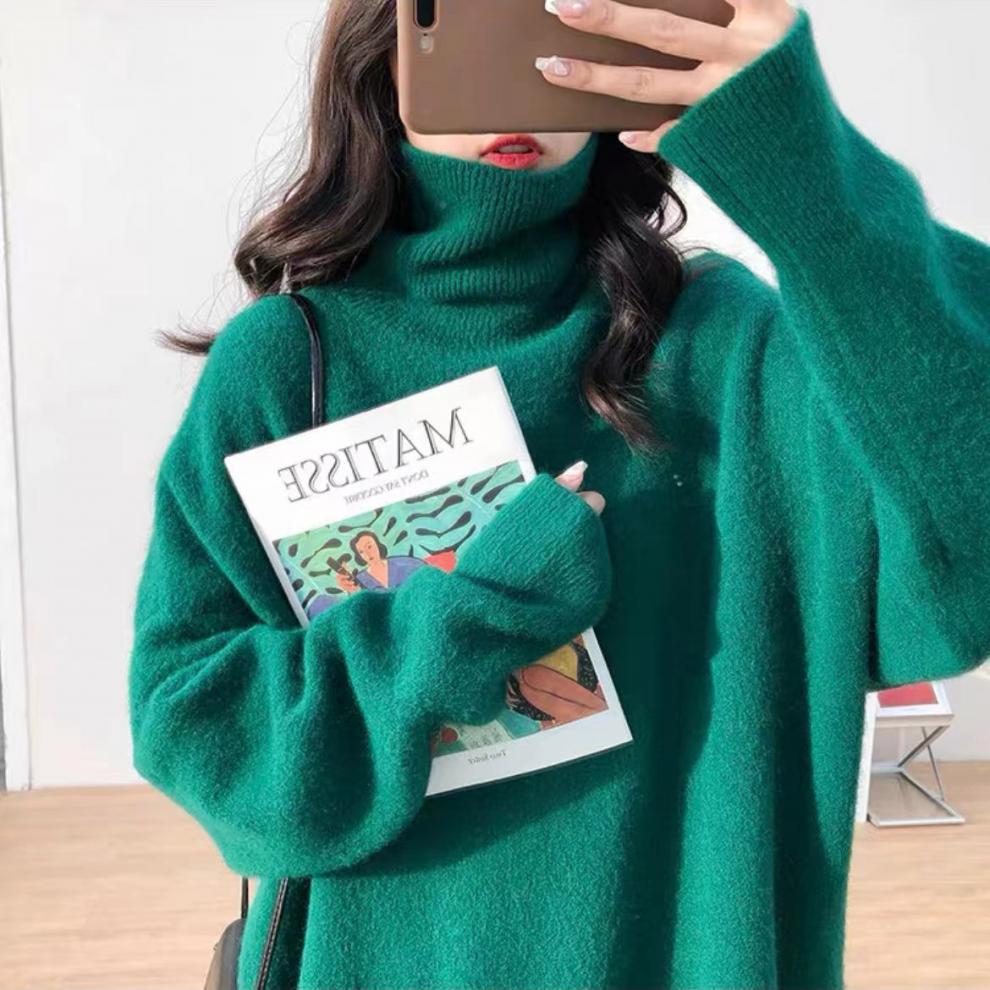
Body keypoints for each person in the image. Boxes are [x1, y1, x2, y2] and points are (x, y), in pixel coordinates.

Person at [127, 1, 990, 987]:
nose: (519, 84)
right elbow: (198, 730)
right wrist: (473, 611)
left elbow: (967, 562)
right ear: (387, 58)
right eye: (476, 24)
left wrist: (803, 171)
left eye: (555, 28)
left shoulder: (722, 348)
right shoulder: (287, 363)